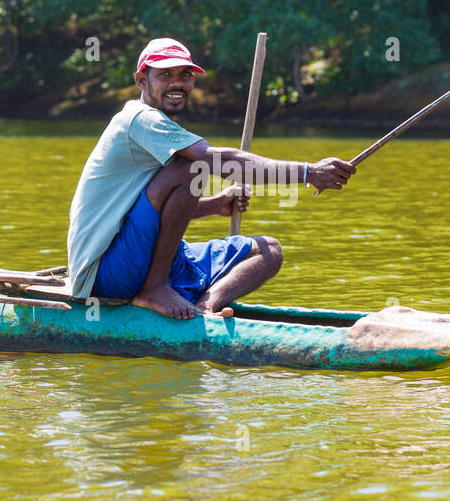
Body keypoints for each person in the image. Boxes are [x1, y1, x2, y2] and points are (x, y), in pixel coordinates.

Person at [66, 37, 356, 319]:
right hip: (105, 274)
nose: (177, 83)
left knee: (268, 251)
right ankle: (155, 289)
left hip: (143, 257)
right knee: (191, 166)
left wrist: (214, 205)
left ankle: (206, 306)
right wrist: (308, 173)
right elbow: (219, 161)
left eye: (185, 74)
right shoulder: (141, 119)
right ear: (142, 81)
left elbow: (154, 212)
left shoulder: (162, 126)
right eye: (164, 75)